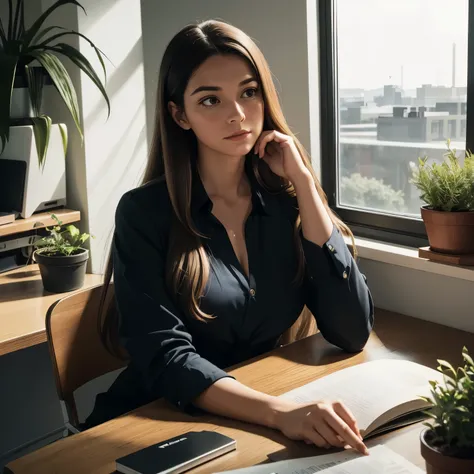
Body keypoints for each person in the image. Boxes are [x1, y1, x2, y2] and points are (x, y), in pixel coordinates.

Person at [86, 19, 374, 456]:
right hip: (152, 424)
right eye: (210, 100)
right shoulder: (143, 213)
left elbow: (352, 330)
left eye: (248, 92)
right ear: (179, 114)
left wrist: (304, 185)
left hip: (247, 423)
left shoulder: (285, 202)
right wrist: (280, 413)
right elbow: (166, 358)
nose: (237, 114)